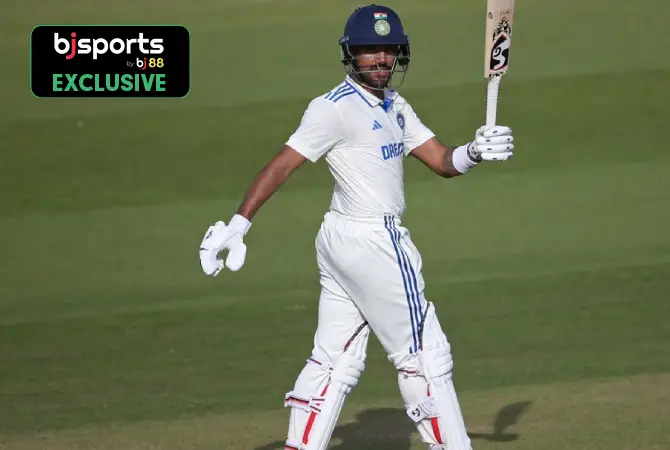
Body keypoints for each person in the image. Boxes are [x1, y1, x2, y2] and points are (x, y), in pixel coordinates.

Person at [198, 4, 514, 449]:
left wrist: (475, 151)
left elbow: (443, 161)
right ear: (352, 54)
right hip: (374, 242)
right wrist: (239, 223)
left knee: (333, 362)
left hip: (338, 243)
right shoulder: (334, 109)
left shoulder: (396, 106)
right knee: (425, 358)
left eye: (389, 51)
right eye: (371, 51)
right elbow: (283, 164)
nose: (381, 60)